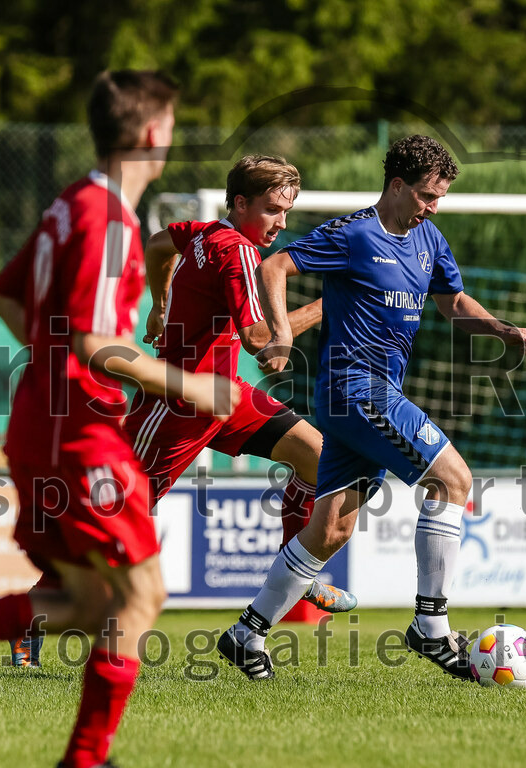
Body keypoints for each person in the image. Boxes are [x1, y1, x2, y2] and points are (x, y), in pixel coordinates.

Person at [0, 70, 239, 768]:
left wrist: (52, 369)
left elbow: (7, 301)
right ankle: (86, 759)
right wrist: (192, 386)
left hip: (40, 421)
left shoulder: (68, 205)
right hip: (81, 433)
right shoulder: (110, 221)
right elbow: (95, 343)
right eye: (171, 125)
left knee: (92, 602)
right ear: (152, 132)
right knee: (142, 594)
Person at [217, 135, 526, 681]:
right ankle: (431, 626)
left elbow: (453, 303)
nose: (432, 207)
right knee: (453, 480)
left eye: (439, 198)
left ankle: (246, 634)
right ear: (396, 185)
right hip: (356, 390)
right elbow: (274, 267)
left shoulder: (429, 239)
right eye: (426, 196)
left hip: (369, 397)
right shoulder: (353, 233)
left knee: (331, 530)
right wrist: (281, 334)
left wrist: (500, 329)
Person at [122, 154, 356, 613]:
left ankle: (297, 569)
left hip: (225, 396)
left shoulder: (203, 232)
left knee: (318, 458)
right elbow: (259, 342)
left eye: (286, 211)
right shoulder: (238, 252)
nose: (281, 223)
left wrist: (159, 303)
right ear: (241, 203)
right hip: (179, 404)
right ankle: (31, 617)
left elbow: (156, 244)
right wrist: (330, 304)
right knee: (116, 516)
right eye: (273, 210)